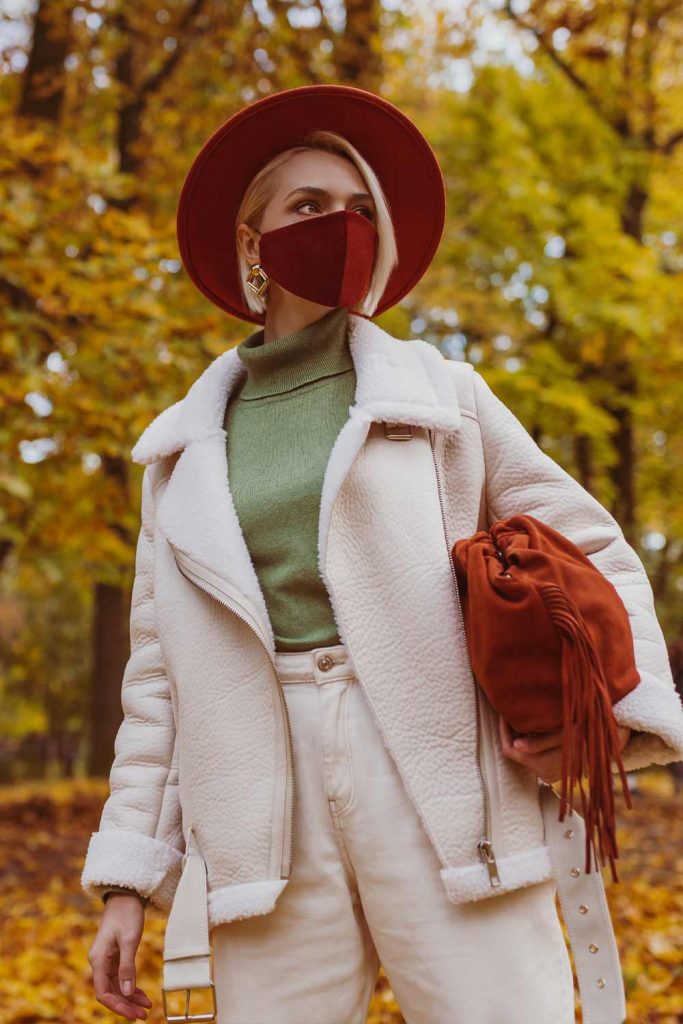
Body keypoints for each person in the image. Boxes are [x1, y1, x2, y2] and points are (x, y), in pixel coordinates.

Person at [80, 84, 683, 1024]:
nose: (342, 225)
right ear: (253, 244)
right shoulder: (181, 454)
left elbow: (592, 543)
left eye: (361, 209)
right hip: (255, 799)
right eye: (308, 206)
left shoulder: (443, 395)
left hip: (436, 769)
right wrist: (130, 876)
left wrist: (606, 715)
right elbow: (158, 682)